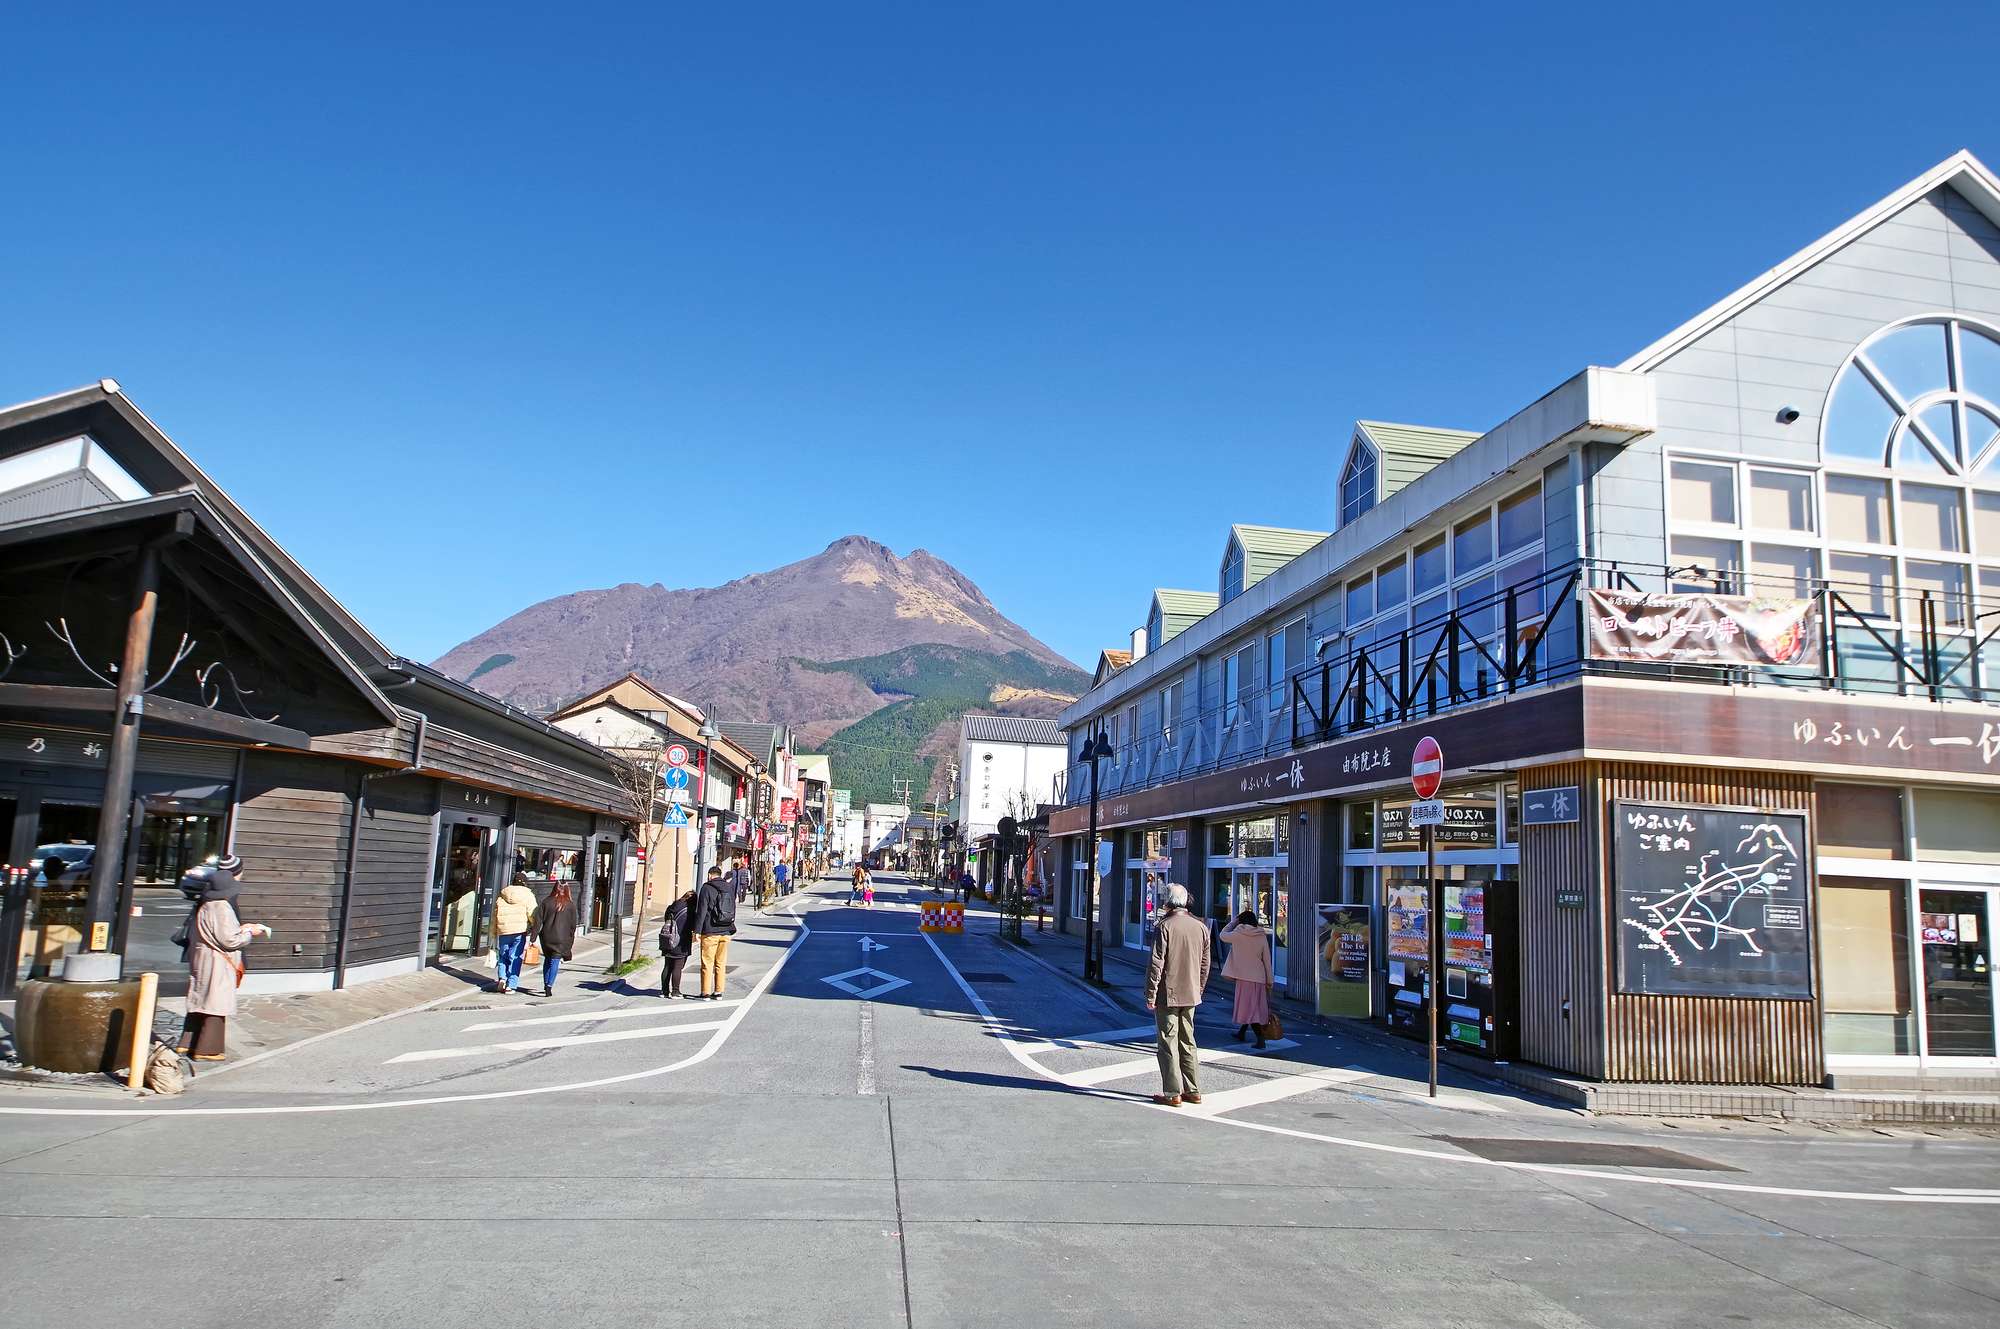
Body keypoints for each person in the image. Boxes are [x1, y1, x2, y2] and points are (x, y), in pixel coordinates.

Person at [177, 855, 268, 1061]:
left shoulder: (206, 904)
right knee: (215, 1001)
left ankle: (186, 1043)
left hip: (202, 956)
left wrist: (239, 929)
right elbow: (230, 941)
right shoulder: (222, 907)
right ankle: (207, 1049)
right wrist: (249, 933)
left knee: (200, 998)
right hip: (217, 961)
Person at [1144, 883, 1210, 1107]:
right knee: (1188, 1041)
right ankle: (1193, 1090)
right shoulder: (1200, 927)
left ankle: (1172, 1093)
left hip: (1168, 993)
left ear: (1168, 902)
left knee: (1168, 1042)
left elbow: (1156, 964)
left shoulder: (1165, 927)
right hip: (1191, 992)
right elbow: (1205, 963)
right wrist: (1199, 987)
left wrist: (1150, 994)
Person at [1221, 909, 1274, 1050]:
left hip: (1244, 977)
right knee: (1252, 1006)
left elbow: (1222, 935)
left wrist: (1233, 922)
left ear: (1241, 921)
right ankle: (1242, 1032)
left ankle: (1260, 1039)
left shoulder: (1238, 933)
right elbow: (1267, 960)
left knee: (1249, 1009)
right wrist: (1270, 980)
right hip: (1259, 977)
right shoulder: (1261, 935)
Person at [689, 864, 737, 999]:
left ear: (710, 875)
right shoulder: (729, 887)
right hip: (726, 930)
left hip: (710, 930)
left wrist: (697, 930)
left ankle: (705, 992)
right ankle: (718, 992)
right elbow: (732, 907)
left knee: (707, 962)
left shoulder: (707, 888)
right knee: (721, 963)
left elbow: (702, 910)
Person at [529, 880, 579, 998]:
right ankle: (549, 986)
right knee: (554, 962)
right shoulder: (570, 905)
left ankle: (546, 984)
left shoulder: (546, 901)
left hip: (547, 936)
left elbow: (538, 920)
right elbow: (573, 925)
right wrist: (571, 940)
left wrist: (533, 937)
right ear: (567, 889)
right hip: (562, 938)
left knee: (547, 959)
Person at [490, 873, 537, 995]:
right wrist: (534, 928)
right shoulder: (528, 895)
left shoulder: (502, 894)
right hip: (519, 930)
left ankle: (502, 978)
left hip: (503, 930)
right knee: (515, 957)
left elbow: (495, 915)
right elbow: (532, 914)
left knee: (503, 955)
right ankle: (511, 985)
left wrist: (492, 934)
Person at [658, 887, 695, 998]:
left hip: (668, 939)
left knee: (667, 966)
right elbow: (692, 926)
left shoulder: (671, 907)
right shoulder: (689, 911)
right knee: (677, 967)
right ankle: (675, 991)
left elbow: (666, 920)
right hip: (681, 941)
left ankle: (664, 991)